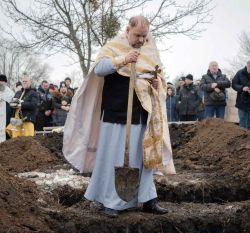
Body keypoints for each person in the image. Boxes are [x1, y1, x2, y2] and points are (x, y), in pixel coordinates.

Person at [63, 15, 175, 217]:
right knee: (113, 157)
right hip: (116, 112)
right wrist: (123, 59)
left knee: (144, 157)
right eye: (137, 35)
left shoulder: (150, 48)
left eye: (144, 35)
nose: (141, 40)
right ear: (127, 30)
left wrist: (157, 84)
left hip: (143, 113)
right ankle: (111, 201)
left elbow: (157, 75)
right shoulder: (114, 46)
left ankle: (148, 199)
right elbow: (99, 70)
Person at [6, 73, 38, 138]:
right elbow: (12, 103)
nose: (24, 83)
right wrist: (13, 104)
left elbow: (33, 105)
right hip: (16, 121)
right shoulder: (18, 93)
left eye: (26, 81)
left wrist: (21, 104)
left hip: (27, 120)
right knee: (15, 141)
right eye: (23, 81)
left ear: (30, 82)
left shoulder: (33, 93)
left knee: (28, 141)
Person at [232, 60, 250, 129]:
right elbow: (234, 84)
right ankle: (243, 138)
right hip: (242, 101)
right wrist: (242, 88)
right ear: (247, 66)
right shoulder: (240, 73)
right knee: (242, 120)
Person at [0, 74, 14, 143]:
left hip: (7, 117)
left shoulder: (10, 93)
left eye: (2, 82)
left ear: (5, 83)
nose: (0, 83)